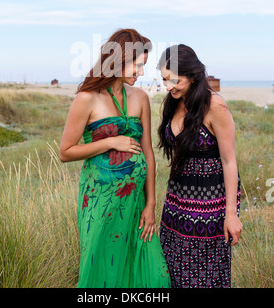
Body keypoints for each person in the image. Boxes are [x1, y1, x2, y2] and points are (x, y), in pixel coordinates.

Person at [59, 28, 171, 288]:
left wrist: (151, 203)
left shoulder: (141, 98)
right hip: (101, 200)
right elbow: (65, 152)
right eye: (137, 65)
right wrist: (111, 141)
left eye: (143, 67)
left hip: (137, 200)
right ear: (119, 59)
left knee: (155, 276)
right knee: (104, 269)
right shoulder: (86, 98)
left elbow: (148, 153)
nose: (140, 73)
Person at [157, 44, 242, 288]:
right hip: (176, 204)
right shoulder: (174, 102)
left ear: (193, 76)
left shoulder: (214, 105)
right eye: (164, 79)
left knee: (203, 277)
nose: (168, 86)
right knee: (173, 272)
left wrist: (231, 214)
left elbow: (229, 161)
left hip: (209, 207)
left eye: (175, 80)